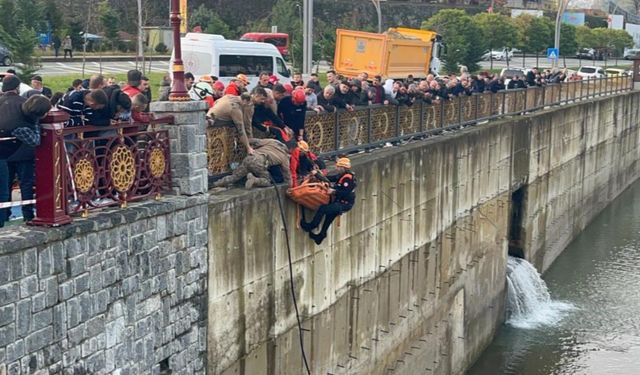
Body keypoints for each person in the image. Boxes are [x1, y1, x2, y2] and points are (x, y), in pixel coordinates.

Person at [6, 96, 52, 223]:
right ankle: (28, 214)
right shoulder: (28, 121)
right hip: (24, 154)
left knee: (6, 185)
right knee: (26, 184)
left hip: (8, 153)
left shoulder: (10, 109)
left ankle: (5, 214)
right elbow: (35, 140)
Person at [300, 157, 356, 244]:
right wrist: (317, 174)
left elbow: (346, 192)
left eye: (338, 167)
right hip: (340, 201)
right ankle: (321, 235)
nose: (336, 168)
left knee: (323, 209)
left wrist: (334, 191)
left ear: (343, 168)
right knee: (329, 217)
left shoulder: (347, 179)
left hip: (344, 203)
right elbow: (329, 179)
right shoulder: (342, 176)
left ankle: (311, 225)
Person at [212, 138, 292, 189]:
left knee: (234, 176)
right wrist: (289, 186)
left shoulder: (273, 142)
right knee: (268, 181)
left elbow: (255, 141)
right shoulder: (284, 157)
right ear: (290, 149)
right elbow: (287, 174)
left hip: (249, 157)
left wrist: (247, 145)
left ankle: (216, 183)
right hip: (259, 163)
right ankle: (254, 180)